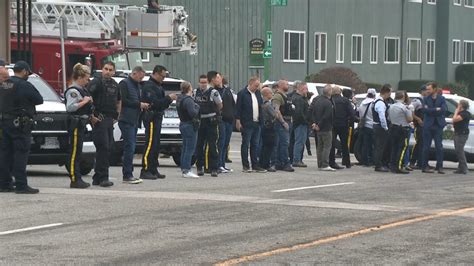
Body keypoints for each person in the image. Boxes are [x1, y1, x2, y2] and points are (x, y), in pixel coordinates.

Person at [0, 61, 43, 193]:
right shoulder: (24, 85)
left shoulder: (4, 84)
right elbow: (39, 99)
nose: (28, 75)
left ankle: (4, 184)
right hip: (20, 125)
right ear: (24, 71)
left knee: (5, 154)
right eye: (27, 73)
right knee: (21, 153)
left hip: (5, 123)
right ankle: (21, 185)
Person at [140, 65, 177, 180]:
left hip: (158, 118)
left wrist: (166, 101)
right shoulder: (149, 86)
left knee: (156, 145)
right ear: (156, 73)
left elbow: (162, 105)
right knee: (150, 143)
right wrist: (168, 98)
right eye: (162, 76)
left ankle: (153, 168)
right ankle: (145, 169)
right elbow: (155, 103)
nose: (163, 79)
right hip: (151, 118)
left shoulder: (158, 86)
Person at [87, 61, 120, 187]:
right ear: (102, 69)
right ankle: (103, 177)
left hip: (109, 119)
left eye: (110, 69)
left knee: (108, 147)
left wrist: (116, 117)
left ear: (114, 72)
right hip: (99, 119)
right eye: (106, 69)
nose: (107, 71)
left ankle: (97, 177)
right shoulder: (96, 82)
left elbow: (118, 101)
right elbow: (88, 99)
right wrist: (92, 117)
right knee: (103, 147)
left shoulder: (115, 85)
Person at [64, 63, 94, 189]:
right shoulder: (73, 91)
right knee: (75, 152)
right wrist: (85, 101)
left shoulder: (83, 90)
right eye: (87, 78)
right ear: (80, 77)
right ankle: (74, 179)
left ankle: (78, 177)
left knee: (78, 153)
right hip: (75, 124)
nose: (88, 81)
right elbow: (70, 107)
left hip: (82, 123)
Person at [118, 66, 149, 184]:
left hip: (134, 120)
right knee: (129, 147)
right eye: (140, 77)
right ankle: (127, 174)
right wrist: (139, 104)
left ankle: (129, 173)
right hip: (126, 119)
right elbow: (123, 101)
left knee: (131, 147)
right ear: (134, 73)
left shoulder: (137, 85)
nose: (141, 79)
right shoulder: (124, 84)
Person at [195, 71, 223, 177]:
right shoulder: (195, 92)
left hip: (211, 121)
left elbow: (220, 105)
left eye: (205, 82)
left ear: (207, 82)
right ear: (198, 83)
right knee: (199, 145)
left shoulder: (213, 92)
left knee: (212, 145)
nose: (203, 84)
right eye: (201, 82)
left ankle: (214, 168)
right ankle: (199, 167)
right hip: (200, 121)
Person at [235, 76, 266, 173]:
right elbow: (238, 108)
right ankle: (246, 165)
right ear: (250, 83)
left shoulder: (257, 93)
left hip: (257, 122)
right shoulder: (242, 94)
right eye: (256, 85)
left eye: (258, 86)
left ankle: (255, 165)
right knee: (245, 144)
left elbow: (260, 107)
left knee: (255, 144)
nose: (257, 87)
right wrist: (238, 121)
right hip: (247, 123)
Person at [421, 82, 446, 174]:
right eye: (427, 89)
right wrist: (436, 109)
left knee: (439, 147)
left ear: (435, 89)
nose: (427, 91)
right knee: (426, 147)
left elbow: (443, 110)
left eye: (429, 89)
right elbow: (424, 110)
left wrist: (431, 110)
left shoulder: (442, 98)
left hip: (438, 125)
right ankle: (424, 166)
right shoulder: (425, 99)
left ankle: (439, 166)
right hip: (428, 125)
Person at [177, 81, 200, 178]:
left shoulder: (180, 98)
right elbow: (193, 113)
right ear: (189, 88)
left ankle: (184, 168)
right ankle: (187, 170)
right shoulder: (188, 100)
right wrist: (197, 107)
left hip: (182, 123)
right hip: (189, 125)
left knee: (185, 147)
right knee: (190, 148)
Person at [311, 84, 335, 171]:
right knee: (327, 146)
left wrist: (314, 124)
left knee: (320, 147)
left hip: (318, 128)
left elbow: (313, 112)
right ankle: (325, 164)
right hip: (326, 127)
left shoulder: (317, 101)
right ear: (329, 92)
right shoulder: (328, 103)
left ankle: (320, 164)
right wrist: (319, 125)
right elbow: (326, 116)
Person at [330, 86, 356, 169]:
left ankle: (332, 162)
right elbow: (352, 113)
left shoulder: (330, 100)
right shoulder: (345, 101)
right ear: (340, 92)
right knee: (345, 144)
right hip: (343, 124)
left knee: (332, 144)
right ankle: (346, 162)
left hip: (332, 124)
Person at [388, 91, 413, 174]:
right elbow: (410, 119)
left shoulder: (391, 106)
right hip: (403, 129)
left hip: (393, 127)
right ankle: (399, 166)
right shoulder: (405, 107)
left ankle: (392, 165)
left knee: (394, 147)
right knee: (402, 148)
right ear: (403, 97)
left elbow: (389, 118)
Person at [272, 80, 294, 172]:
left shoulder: (286, 96)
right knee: (284, 143)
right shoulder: (277, 96)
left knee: (284, 143)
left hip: (288, 121)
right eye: (286, 84)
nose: (288, 85)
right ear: (280, 85)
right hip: (282, 123)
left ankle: (279, 163)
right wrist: (283, 122)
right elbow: (276, 110)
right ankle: (284, 163)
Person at [217, 76, 235, 173]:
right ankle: (218, 164)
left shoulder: (227, 90)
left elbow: (233, 103)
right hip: (222, 120)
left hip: (229, 120)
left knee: (226, 143)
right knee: (221, 142)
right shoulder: (215, 91)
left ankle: (223, 164)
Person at [372, 84, 392, 172]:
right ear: (386, 92)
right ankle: (378, 165)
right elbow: (382, 116)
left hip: (376, 126)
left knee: (378, 146)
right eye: (390, 92)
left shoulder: (376, 101)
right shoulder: (380, 103)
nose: (390, 95)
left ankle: (378, 163)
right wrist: (385, 127)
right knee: (380, 147)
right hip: (380, 127)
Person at [409, 85, 429, 170]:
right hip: (419, 126)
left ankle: (422, 162)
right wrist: (418, 119)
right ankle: (413, 162)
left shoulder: (426, 100)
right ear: (422, 91)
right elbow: (410, 110)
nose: (427, 92)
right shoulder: (417, 101)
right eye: (426, 90)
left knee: (423, 144)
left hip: (425, 126)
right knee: (419, 144)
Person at [291, 81, 310, 168]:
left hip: (297, 123)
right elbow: (300, 113)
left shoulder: (296, 97)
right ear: (302, 89)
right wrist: (306, 121)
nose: (307, 91)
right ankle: (296, 160)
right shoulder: (299, 99)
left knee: (298, 141)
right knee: (300, 141)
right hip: (301, 124)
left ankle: (296, 159)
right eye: (306, 89)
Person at [259, 87, 277, 172]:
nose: (272, 94)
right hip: (269, 127)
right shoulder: (268, 105)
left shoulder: (261, 104)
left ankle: (262, 163)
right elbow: (274, 115)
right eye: (270, 93)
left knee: (264, 146)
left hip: (264, 127)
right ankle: (266, 164)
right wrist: (276, 109)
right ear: (266, 94)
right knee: (269, 147)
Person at [357, 88, 376, 167]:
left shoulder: (362, 103)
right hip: (372, 125)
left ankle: (365, 161)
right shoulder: (373, 103)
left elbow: (360, 115)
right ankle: (372, 160)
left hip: (364, 126)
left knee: (365, 144)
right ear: (374, 95)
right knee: (373, 145)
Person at [452, 100, 471, 174]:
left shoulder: (464, 114)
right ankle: (460, 168)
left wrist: (456, 111)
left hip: (462, 134)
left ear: (462, 105)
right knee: (458, 150)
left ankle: (464, 168)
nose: (458, 105)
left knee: (460, 150)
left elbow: (455, 119)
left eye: (459, 104)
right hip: (457, 132)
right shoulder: (461, 113)